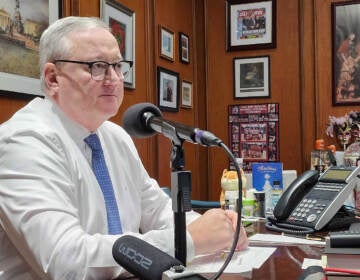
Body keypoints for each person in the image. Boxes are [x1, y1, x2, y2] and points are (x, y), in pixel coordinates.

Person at [0, 16, 248, 279]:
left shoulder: (114, 136)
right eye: (97, 66)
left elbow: (158, 210)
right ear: (52, 78)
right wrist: (188, 240)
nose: (114, 79)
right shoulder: (22, 142)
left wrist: (215, 228)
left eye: (118, 66)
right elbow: (66, 261)